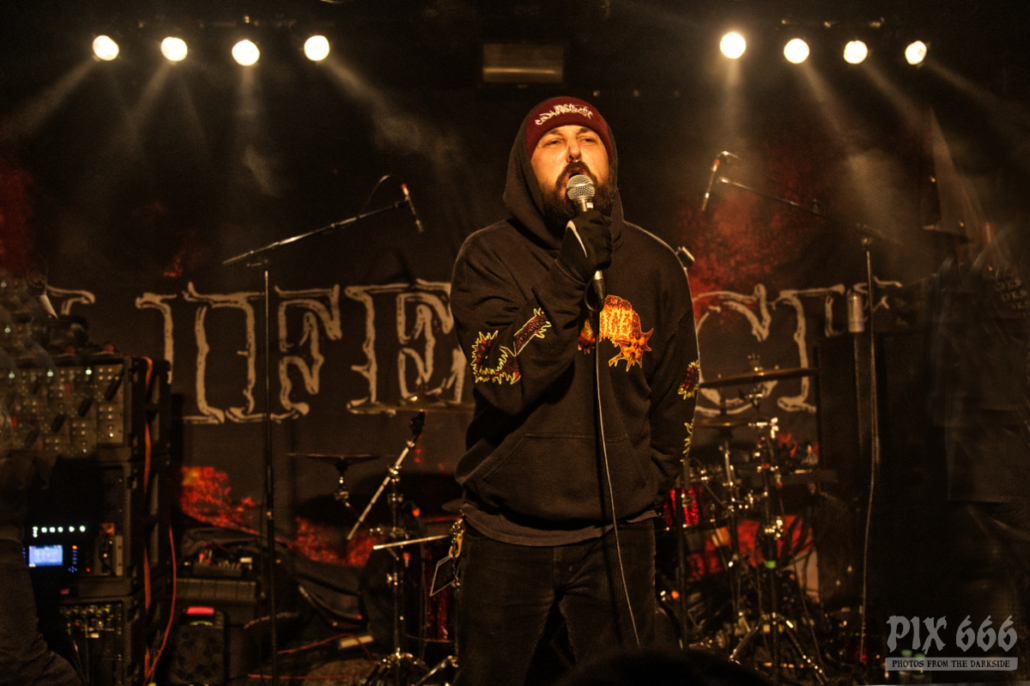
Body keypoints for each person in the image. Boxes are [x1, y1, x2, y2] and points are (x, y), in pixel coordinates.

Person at [449, 96, 700, 685]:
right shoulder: (487, 257)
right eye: (553, 143)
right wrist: (570, 272)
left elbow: (678, 388)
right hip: (506, 533)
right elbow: (502, 378)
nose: (574, 154)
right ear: (524, 167)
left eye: (588, 141)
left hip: (617, 533)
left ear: (609, 163)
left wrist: (646, 481)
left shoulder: (655, 263)